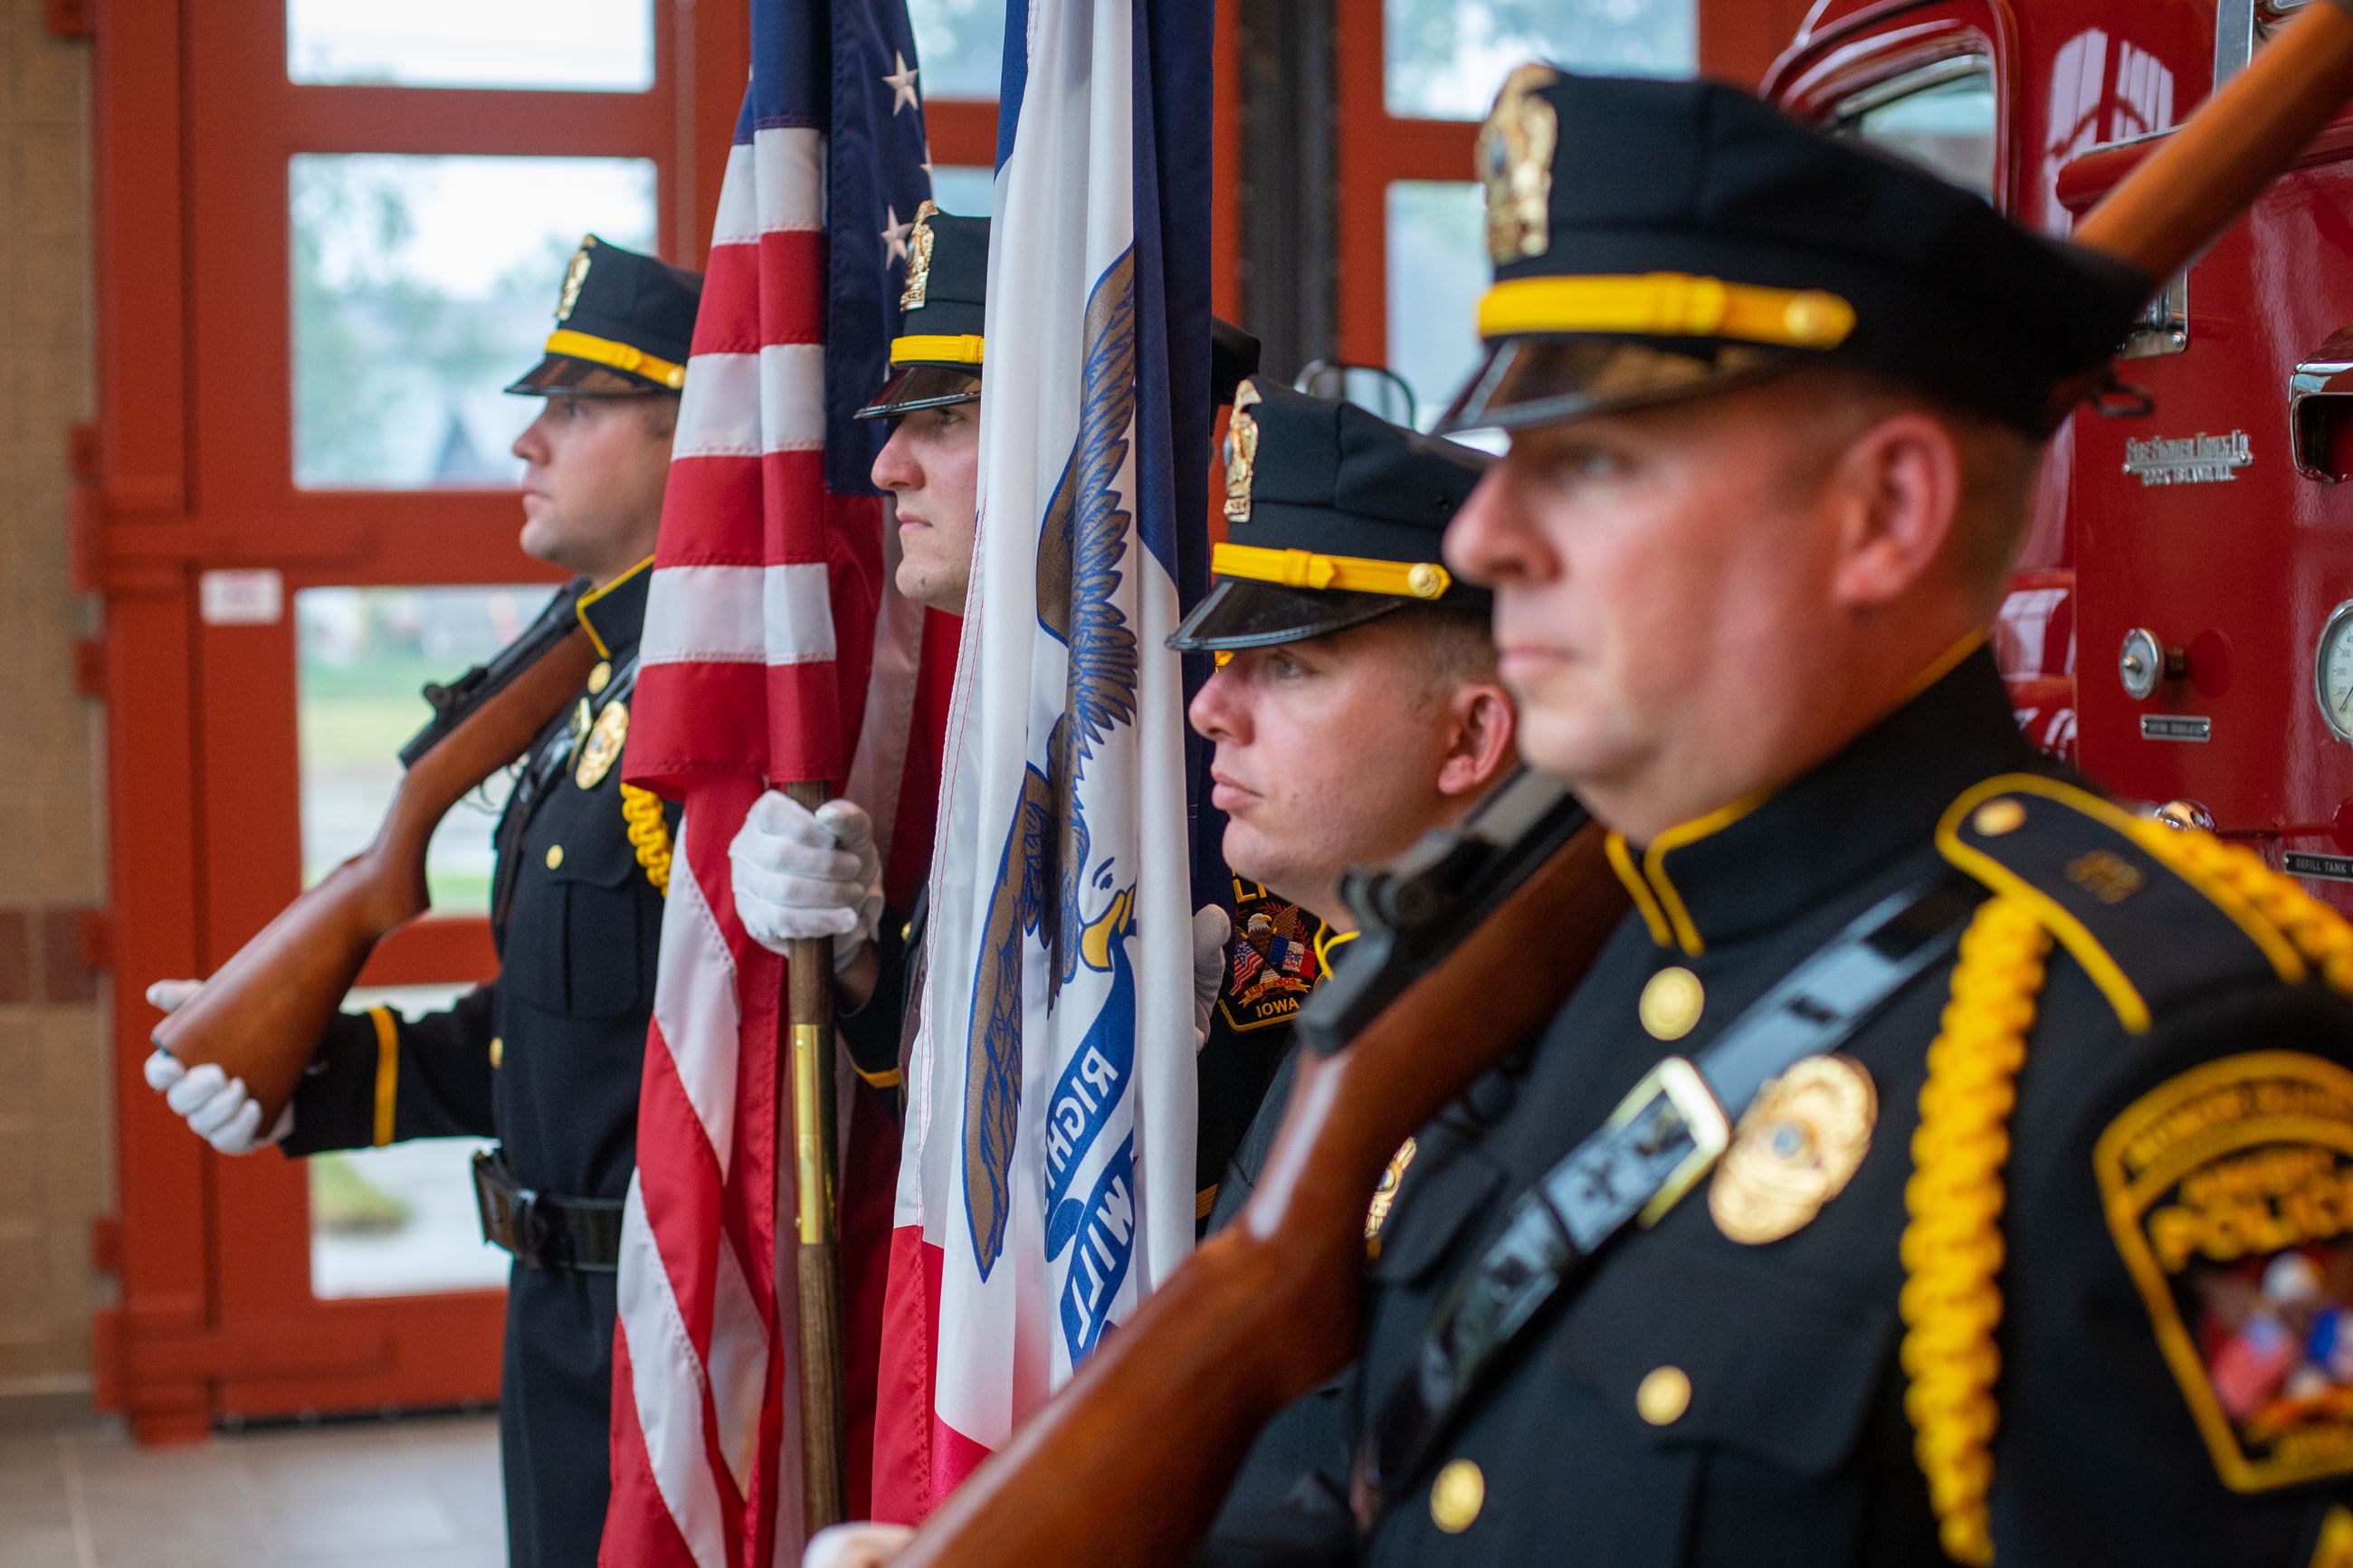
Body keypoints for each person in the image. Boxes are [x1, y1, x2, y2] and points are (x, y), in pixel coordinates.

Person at [1207, 67, 2353, 1565]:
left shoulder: (2164, 1061)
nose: (1488, 531)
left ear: (1883, 513)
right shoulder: (1563, 975)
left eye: (1591, 456)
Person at [145, 235, 700, 1568]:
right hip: (558, 1308)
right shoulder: (584, 683)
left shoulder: (702, 696)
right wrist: (317, 1074)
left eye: (574, 407)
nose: (526, 442)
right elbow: (557, 1029)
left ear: (696, 430)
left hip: (664, 1324)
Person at [729, 204, 1266, 1179]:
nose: (888, 468)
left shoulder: (1214, 723)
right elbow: (948, 1103)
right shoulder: (1019, 702)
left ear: (1083, 442)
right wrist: (854, 953)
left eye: (942, 419)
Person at [1167, 378, 1517, 1523]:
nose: (1210, 707)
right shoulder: (1361, 980)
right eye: (1227, 659)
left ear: (1468, 733)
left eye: (1291, 666)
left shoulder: (1505, 1037)